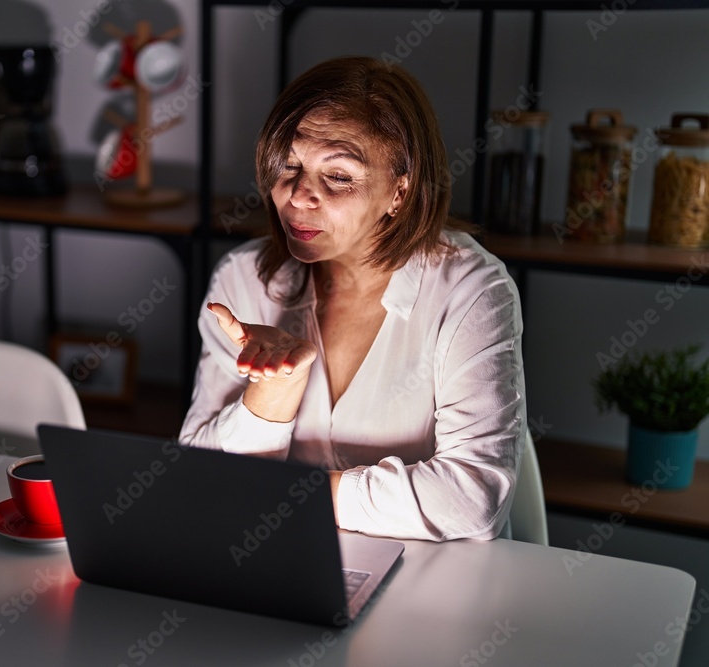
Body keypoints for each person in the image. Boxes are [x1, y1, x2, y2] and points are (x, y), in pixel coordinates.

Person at [179, 56, 526, 541]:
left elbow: (474, 496)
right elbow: (199, 475)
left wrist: (293, 498)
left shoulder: (471, 290)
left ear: (400, 192)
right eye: (290, 166)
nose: (299, 196)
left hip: (437, 584)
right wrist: (271, 396)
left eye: (339, 177)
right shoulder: (242, 280)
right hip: (280, 558)